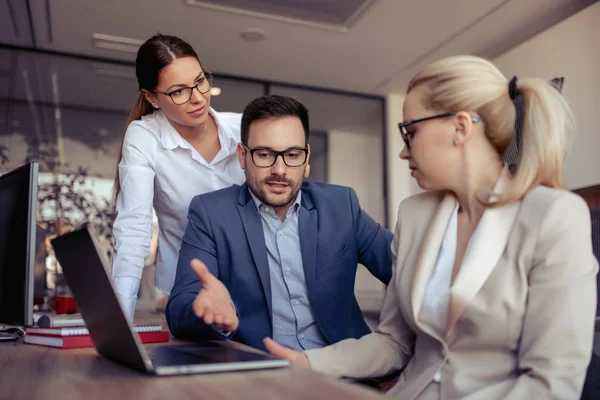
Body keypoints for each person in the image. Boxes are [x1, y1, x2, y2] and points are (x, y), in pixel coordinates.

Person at [264, 55, 598, 399]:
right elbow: (393, 341)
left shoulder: (555, 215)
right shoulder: (414, 215)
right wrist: (307, 362)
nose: (403, 153)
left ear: (460, 127)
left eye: (411, 132)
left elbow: (551, 383)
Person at [166, 95, 393, 352]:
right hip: (265, 376)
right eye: (264, 154)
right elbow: (179, 309)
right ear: (242, 156)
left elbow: (405, 270)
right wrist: (211, 314)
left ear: (306, 159)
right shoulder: (210, 213)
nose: (280, 170)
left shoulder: (342, 206)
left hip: (344, 373)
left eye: (292, 154)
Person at [111, 34, 245, 320]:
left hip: (251, 285)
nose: (198, 97)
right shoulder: (144, 137)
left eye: (200, 81)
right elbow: (134, 227)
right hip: (188, 292)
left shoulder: (243, 128)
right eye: (178, 91)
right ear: (151, 97)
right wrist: (118, 321)